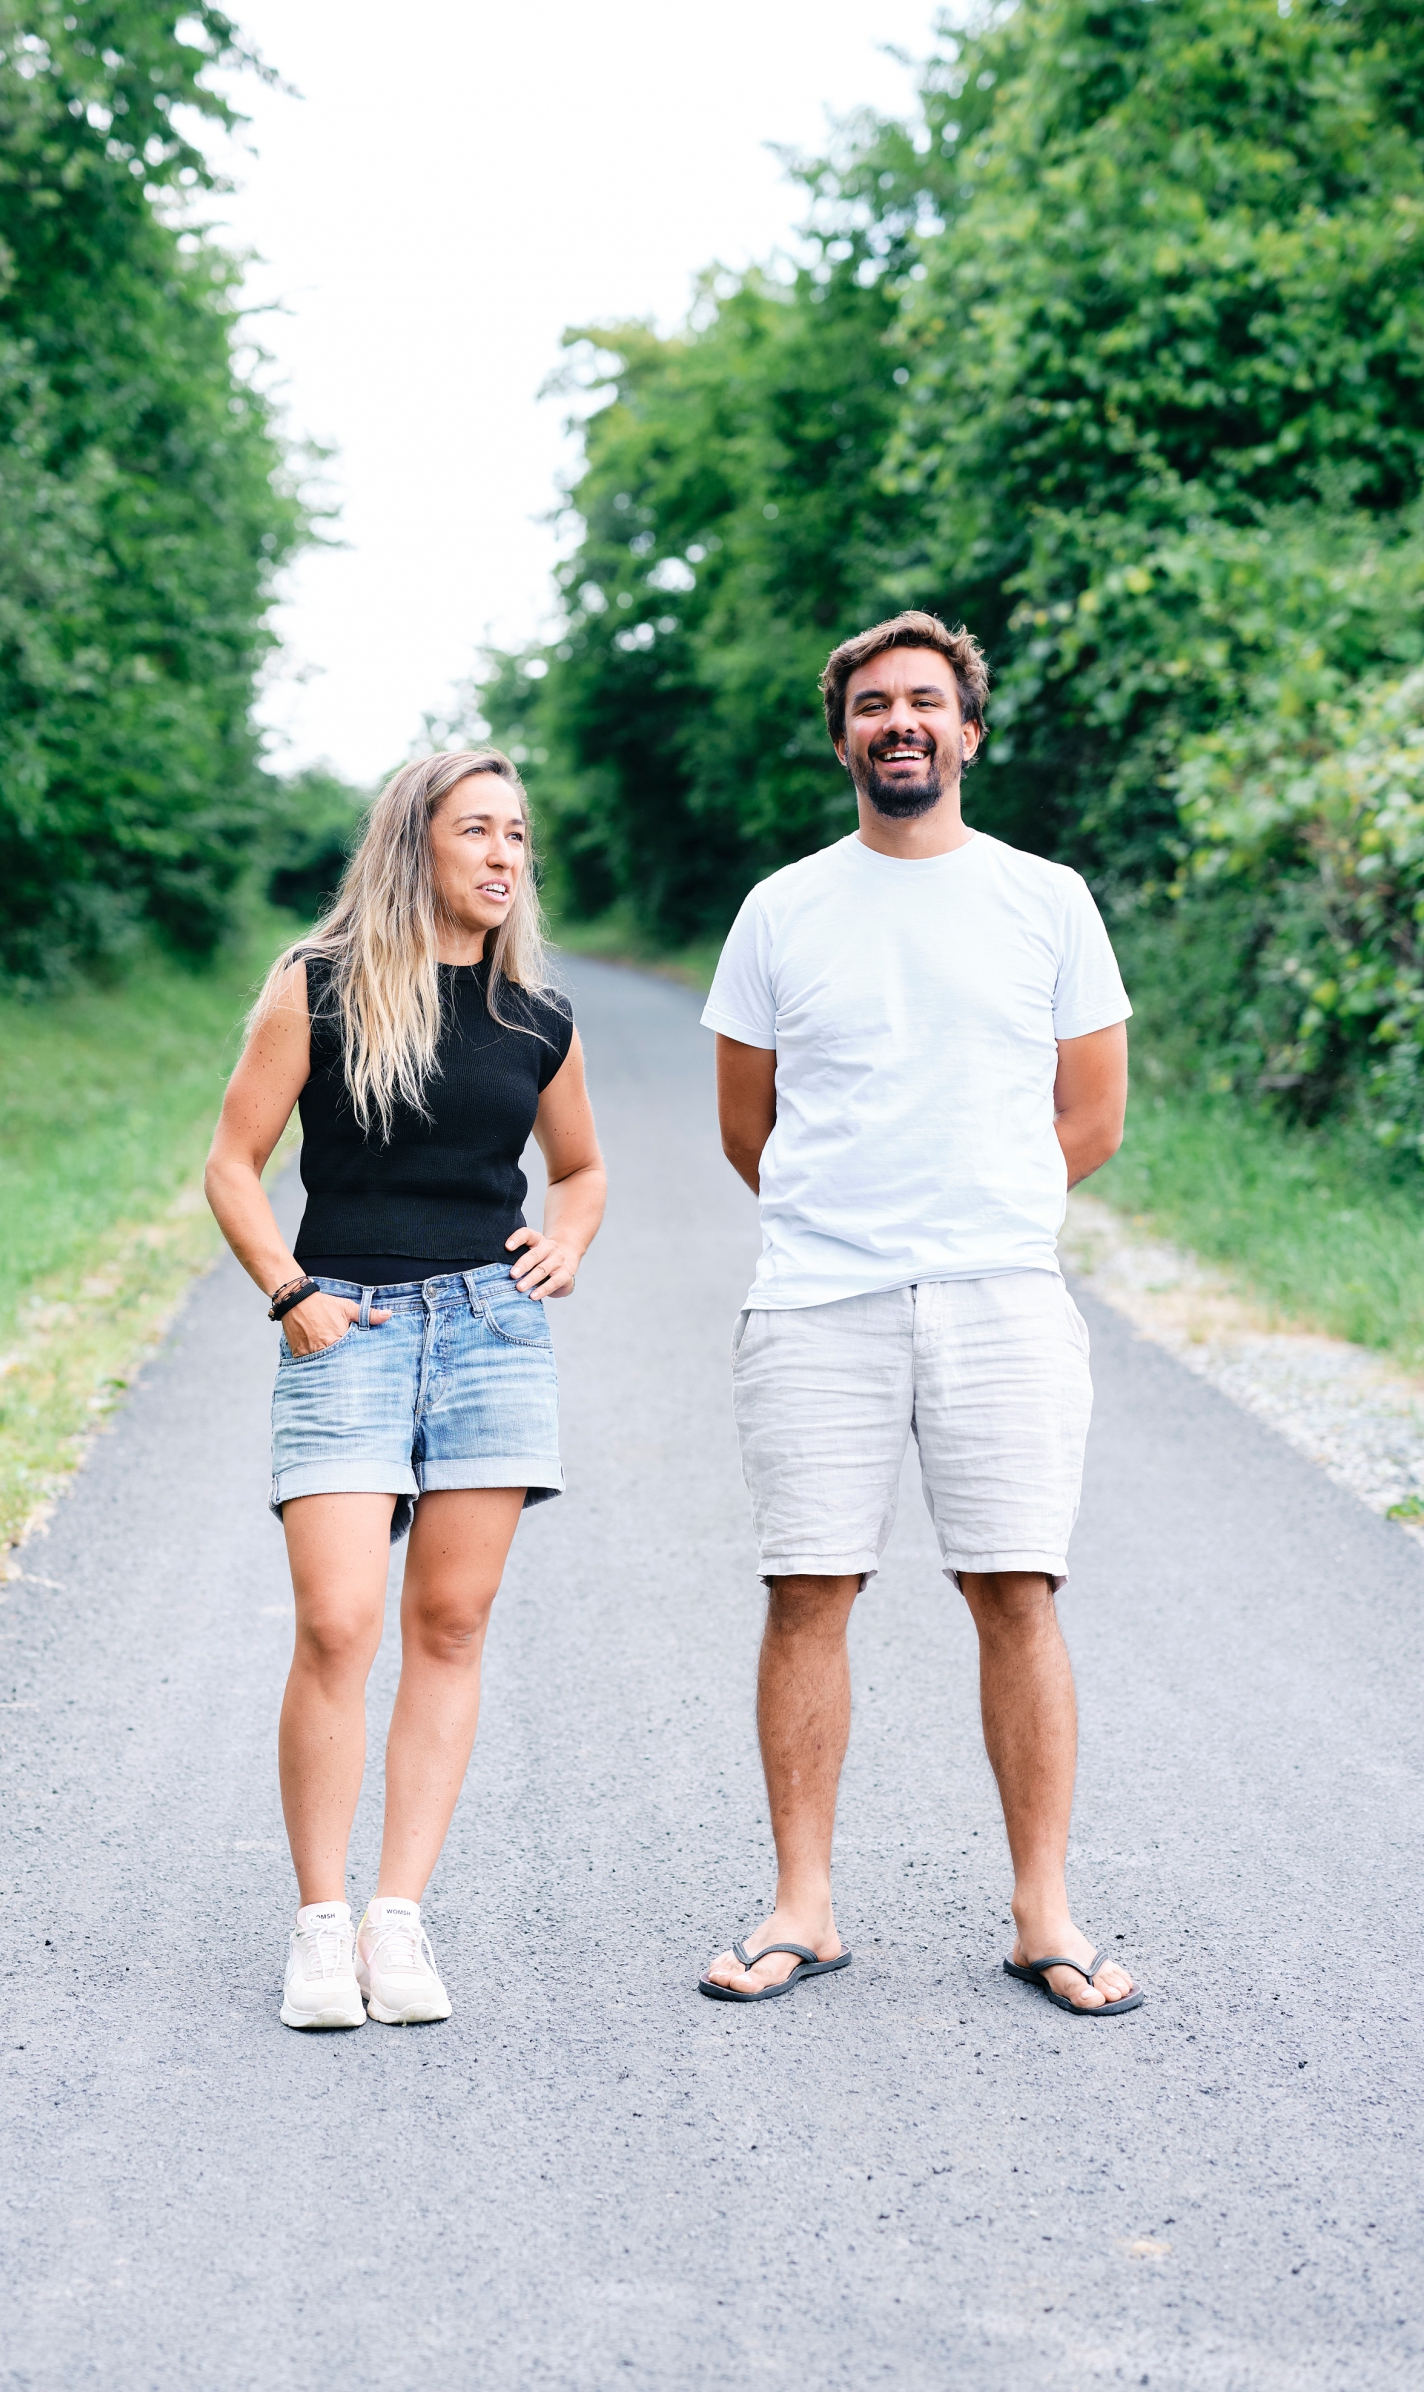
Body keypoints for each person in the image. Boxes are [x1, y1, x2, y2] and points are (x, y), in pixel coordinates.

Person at [697, 611, 1143, 2017]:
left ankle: (1041, 1915)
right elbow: (744, 1130)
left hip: (1000, 1296)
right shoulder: (780, 909)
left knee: (1015, 1591)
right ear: (841, 738)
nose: (899, 723)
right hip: (817, 1299)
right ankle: (799, 1909)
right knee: (805, 1593)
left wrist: (975, 1206)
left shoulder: (1045, 899)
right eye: (872, 705)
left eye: (924, 703)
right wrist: (858, 1215)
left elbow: (1089, 1115)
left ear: (966, 732)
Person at [204, 749, 606, 2030]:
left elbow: (583, 1169)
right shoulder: (316, 988)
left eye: (519, 836)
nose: (504, 855)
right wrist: (289, 1290)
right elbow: (231, 1162)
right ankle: (320, 1925)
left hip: (493, 1332)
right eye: (478, 830)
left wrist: (572, 1235)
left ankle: (398, 1916)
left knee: (450, 1627)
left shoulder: (537, 1018)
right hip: (347, 1330)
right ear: (414, 844)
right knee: (337, 1622)